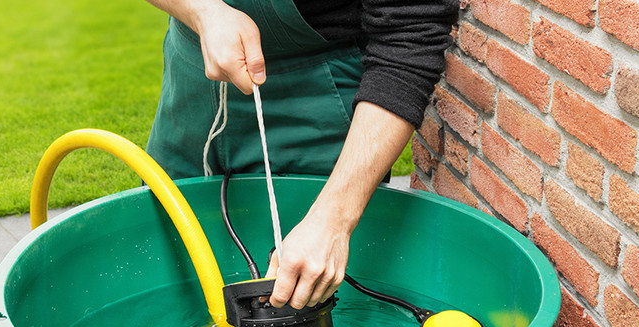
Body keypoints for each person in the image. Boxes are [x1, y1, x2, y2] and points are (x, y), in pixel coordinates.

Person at [144, 0, 458, 310]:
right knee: (175, 286)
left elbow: (409, 36)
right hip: (191, 81)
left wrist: (334, 220)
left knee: (307, 289)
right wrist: (202, 12)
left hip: (315, 97)